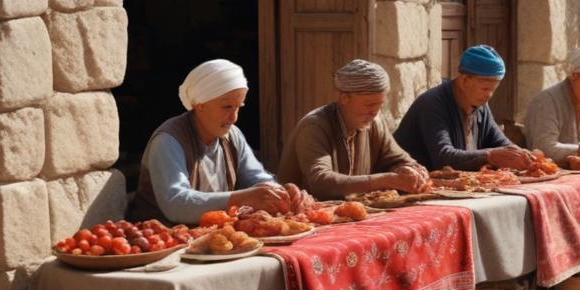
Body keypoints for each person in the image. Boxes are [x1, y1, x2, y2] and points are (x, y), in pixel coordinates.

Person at [128, 59, 297, 224]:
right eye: (227, 107)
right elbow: (176, 204)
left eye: (238, 107)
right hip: (163, 241)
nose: (234, 117)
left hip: (211, 235)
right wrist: (242, 198)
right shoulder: (168, 140)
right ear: (200, 105)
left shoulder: (232, 135)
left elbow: (255, 177)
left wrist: (281, 193)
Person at [277, 59, 429, 199]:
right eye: (369, 104)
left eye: (379, 105)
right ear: (344, 98)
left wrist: (410, 170)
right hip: (307, 218)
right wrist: (385, 180)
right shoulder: (314, 127)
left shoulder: (375, 122)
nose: (374, 112)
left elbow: (400, 160)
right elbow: (321, 183)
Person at [394, 45, 537, 172]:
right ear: (464, 80)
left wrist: (522, 156)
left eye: (493, 90)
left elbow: (500, 143)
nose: (489, 95)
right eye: (485, 88)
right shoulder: (432, 104)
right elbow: (444, 158)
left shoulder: (480, 106)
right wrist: (491, 156)